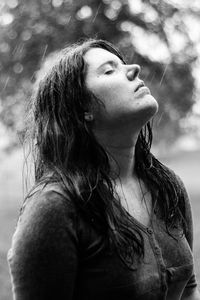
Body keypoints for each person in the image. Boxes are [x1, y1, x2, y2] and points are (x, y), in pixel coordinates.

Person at [7, 39, 200, 300]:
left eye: (123, 64)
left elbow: (189, 288)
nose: (134, 69)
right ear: (82, 108)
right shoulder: (54, 209)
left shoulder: (167, 186)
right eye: (110, 70)